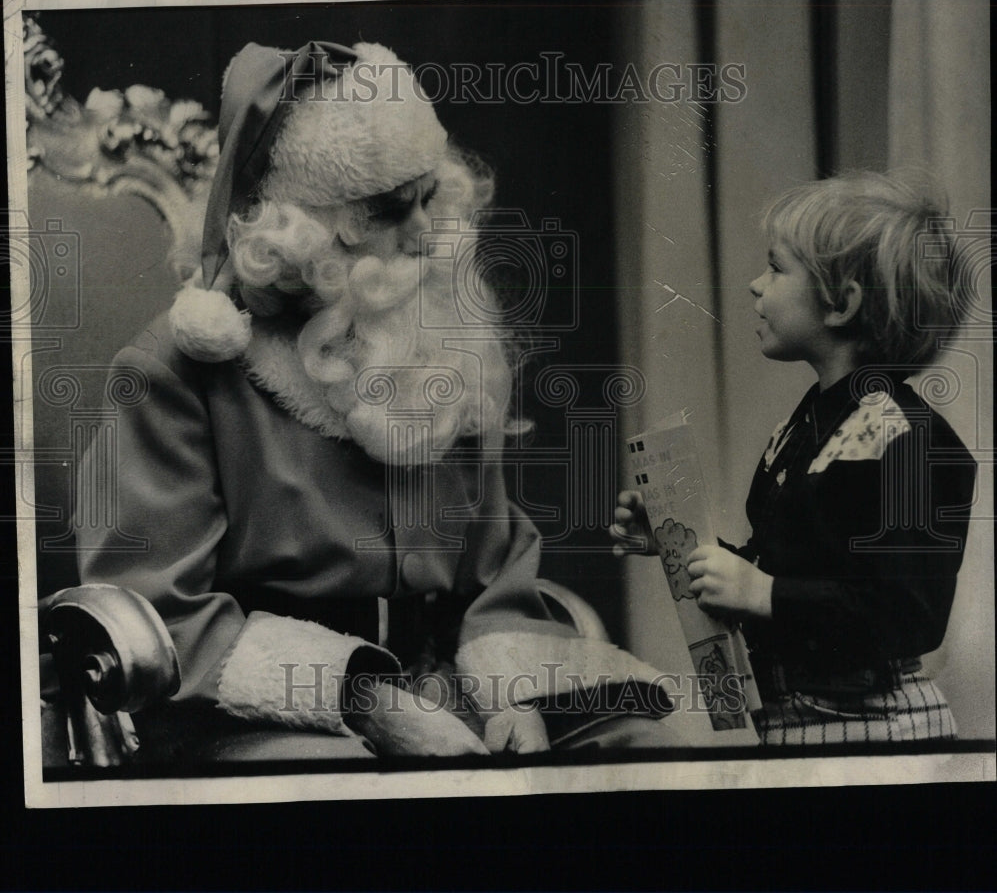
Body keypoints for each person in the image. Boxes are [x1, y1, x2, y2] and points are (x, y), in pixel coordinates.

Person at [76, 38, 676, 761]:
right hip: (253, 710)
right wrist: (362, 700)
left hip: (446, 682)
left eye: (429, 196)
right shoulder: (174, 372)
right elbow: (153, 607)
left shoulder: (437, 337)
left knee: (639, 742)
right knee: (339, 778)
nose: (426, 234)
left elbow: (495, 568)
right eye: (392, 209)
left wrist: (515, 696)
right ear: (298, 228)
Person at [612, 170, 976, 745]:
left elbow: (911, 614)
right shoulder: (807, 425)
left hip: (876, 730)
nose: (756, 285)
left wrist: (761, 592)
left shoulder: (911, 441)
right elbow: (785, 567)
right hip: (798, 720)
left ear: (842, 304)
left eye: (777, 268)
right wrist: (686, 547)